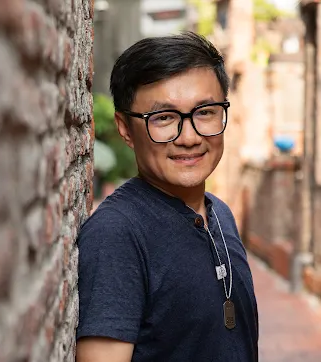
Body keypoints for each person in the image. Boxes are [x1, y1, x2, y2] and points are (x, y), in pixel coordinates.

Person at [75, 32, 259, 362]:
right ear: (125, 129)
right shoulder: (117, 235)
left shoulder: (221, 216)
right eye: (163, 118)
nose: (188, 137)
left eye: (205, 112)